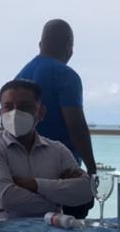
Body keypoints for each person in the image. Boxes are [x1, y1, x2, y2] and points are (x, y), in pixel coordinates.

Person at [0, 78, 93, 220]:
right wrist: (57, 200)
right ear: (0, 113)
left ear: (41, 112)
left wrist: (33, 184)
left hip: (51, 230)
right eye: (8, 107)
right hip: (1, 231)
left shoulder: (57, 150)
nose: (15, 113)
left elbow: (85, 192)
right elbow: (5, 198)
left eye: (24, 107)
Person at [16, 19, 97, 171]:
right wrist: (92, 169)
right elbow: (76, 126)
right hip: (60, 167)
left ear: (40, 44)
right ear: (69, 48)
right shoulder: (65, 75)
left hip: (22, 164)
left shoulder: (19, 76)